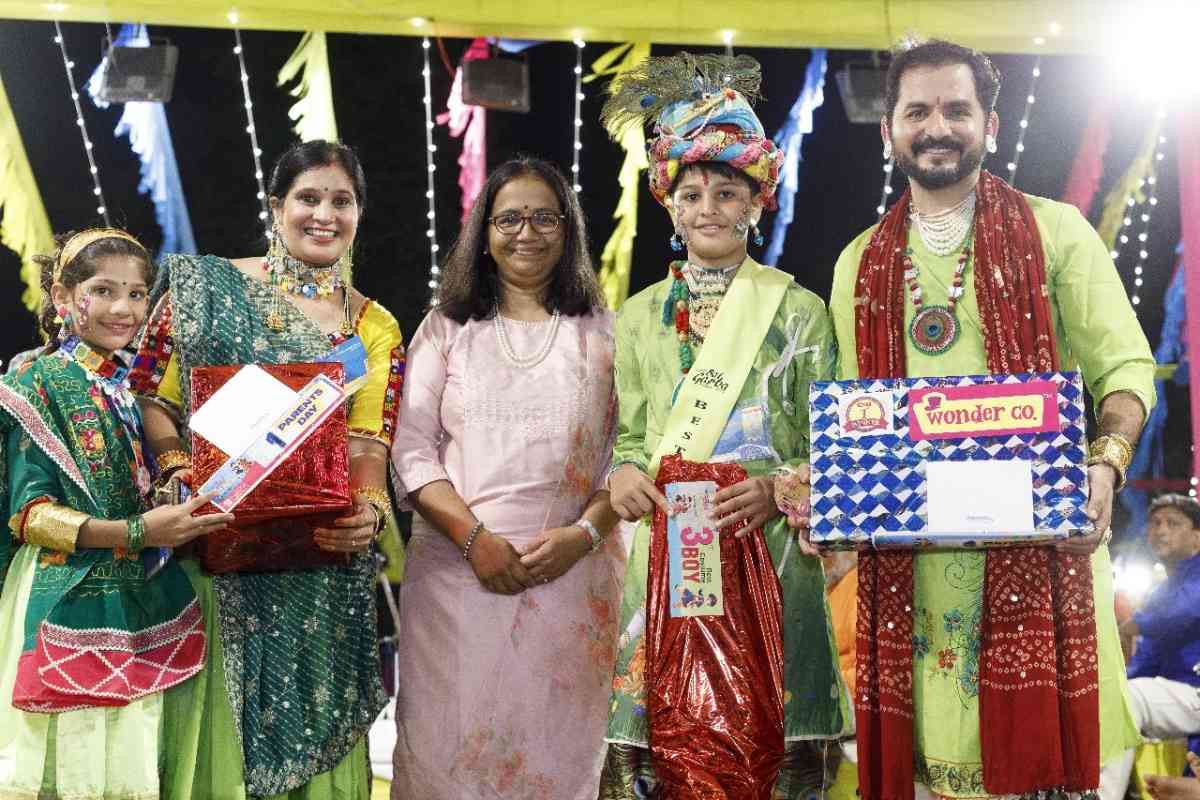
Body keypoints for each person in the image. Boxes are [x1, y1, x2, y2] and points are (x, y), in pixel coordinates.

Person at [828, 38, 1156, 800]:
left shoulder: (1057, 233)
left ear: (991, 126)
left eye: (957, 109)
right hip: (914, 585)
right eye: (917, 111)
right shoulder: (858, 264)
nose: (937, 126)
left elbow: (1125, 369)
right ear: (890, 130)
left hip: (1044, 564)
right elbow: (855, 418)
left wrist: (1105, 462)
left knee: (1046, 779)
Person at [599, 53, 850, 799]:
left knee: (777, 755)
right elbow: (631, 437)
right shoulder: (638, 316)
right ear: (670, 205)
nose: (708, 207)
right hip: (669, 559)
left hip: (772, 553)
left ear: (756, 202)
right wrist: (623, 473)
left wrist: (780, 488)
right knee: (661, 757)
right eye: (692, 192)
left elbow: (832, 443)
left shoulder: (799, 312)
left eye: (728, 191)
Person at [129, 140, 404, 799]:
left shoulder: (373, 325)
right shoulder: (207, 290)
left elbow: (368, 440)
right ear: (276, 207)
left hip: (320, 565)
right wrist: (176, 468)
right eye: (309, 198)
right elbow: (151, 396)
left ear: (359, 214)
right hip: (216, 550)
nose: (324, 215)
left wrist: (370, 509)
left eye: (342, 201)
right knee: (216, 740)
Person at [389, 156, 625, 799]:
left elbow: (627, 452)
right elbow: (411, 451)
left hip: (571, 576)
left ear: (569, 228)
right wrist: (475, 541)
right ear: (484, 231)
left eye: (545, 218)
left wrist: (584, 534)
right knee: (446, 756)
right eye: (510, 218)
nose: (528, 233)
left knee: (557, 759)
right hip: (457, 581)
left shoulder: (605, 333)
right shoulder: (445, 328)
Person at [0, 229, 234, 798]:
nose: (123, 309)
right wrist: (137, 530)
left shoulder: (126, 389)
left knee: (125, 770)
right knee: (65, 768)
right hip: (61, 591)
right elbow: (30, 516)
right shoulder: (35, 381)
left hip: (131, 595)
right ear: (62, 296)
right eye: (103, 291)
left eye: (136, 294)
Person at [1100, 494, 1200, 800]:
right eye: (1155, 523)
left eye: (1173, 523)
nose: (1161, 530)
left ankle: (1102, 795)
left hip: (1194, 689)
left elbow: (1188, 609)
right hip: (1184, 697)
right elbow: (1146, 661)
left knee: (1129, 698)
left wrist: (1138, 623)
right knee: (1116, 695)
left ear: (1197, 536)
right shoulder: (1161, 591)